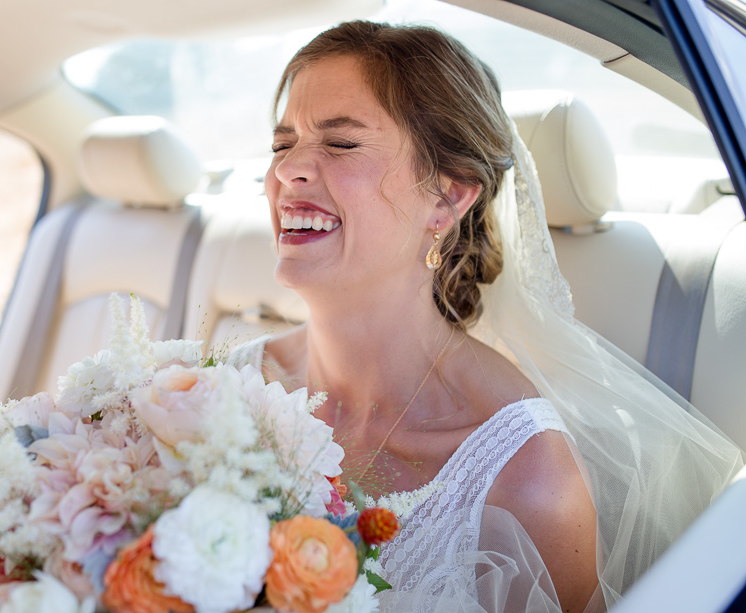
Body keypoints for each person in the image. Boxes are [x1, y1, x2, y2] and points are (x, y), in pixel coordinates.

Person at [226, 20, 745, 612]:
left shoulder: (527, 479)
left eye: (341, 143)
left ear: (448, 196)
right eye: (281, 144)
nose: (287, 170)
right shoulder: (209, 393)